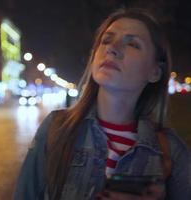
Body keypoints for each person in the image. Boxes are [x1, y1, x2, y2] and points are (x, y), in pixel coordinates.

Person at [14, 8, 191, 200]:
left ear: (155, 72)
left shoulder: (170, 152)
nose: (111, 48)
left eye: (132, 44)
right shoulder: (56, 128)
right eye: (106, 40)